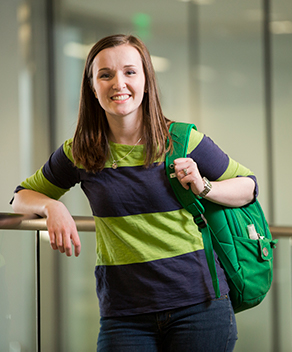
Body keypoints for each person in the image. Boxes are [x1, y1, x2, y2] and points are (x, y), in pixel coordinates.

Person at [11, 34, 257, 351]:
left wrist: (203, 185)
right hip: (124, 315)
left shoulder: (180, 139)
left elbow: (248, 187)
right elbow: (21, 198)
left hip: (199, 306)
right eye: (105, 74)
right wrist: (52, 207)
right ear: (92, 86)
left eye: (130, 72)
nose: (119, 83)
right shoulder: (81, 152)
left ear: (146, 80)